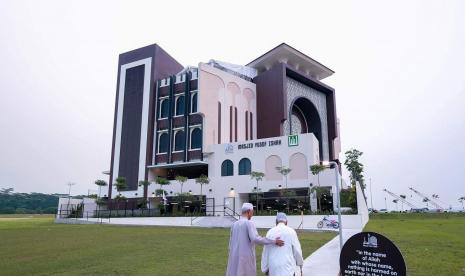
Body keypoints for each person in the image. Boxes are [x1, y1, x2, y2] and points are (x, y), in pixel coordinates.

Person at [226, 203, 285, 276]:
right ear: (248, 211)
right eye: (252, 212)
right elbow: (255, 239)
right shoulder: (248, 223)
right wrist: (273, 241)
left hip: (234, 256)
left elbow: (230, 243)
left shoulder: (234, 224)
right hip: (245, 258)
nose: (252, 215)